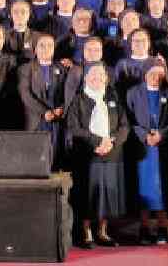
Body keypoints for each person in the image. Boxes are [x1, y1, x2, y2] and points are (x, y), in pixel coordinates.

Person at [69, 63, 130, 248]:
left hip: (112, 154)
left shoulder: (113, 98)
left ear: (106, 78)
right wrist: (96, 142)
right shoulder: (78, 100)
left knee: (108, 195)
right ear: (86, 79)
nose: (97, 78)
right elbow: (73, 127)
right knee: (89, 194)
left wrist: (111, 142)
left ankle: (103, 232)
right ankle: (86, 233)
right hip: (88, 155)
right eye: (92, 75)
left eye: (100, 75)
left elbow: (124, 126)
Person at [126, 64, 168, 245]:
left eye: (160, 74)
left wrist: (161, 134)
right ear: (145, 73)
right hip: (142, 148)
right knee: (144, 187)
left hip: (163, 147)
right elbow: (128, 119)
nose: (155, 77)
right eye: (152, 73)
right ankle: (144, 228)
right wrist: (144, 135)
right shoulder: (133, 93)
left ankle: (162, 228)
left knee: (162, 188)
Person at [19, 34, 67, 169]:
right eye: (42, 45)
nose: (46, 49)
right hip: (36, 120)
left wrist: (61, 109)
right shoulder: (25, 69)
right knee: (35, 163)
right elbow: (25, 94)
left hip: (56, 122)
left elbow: (67, 93)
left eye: (50, 46)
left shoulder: (62, 69)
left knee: (56, 162)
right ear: (35, 49)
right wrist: (44, 112)